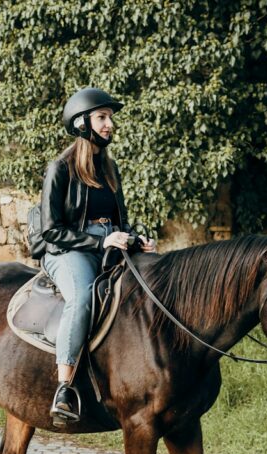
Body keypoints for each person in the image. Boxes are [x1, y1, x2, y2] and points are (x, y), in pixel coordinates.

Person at [39, 87, 157, 424]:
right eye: (102, 117)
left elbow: (120, 221)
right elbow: (51, 230)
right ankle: (64, 388)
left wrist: (135, 239)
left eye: (110, 118)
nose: (110, 124)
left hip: (108, 245)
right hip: (67, 250)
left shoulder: (109, 168)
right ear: (81, 123)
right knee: (83, 296)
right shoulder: (60, 169)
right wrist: (101, 241)